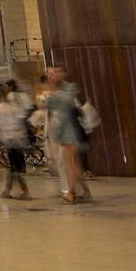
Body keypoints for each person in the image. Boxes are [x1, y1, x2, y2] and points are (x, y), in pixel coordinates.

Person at [43, 66, 88, 205]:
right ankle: (85, 190)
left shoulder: (69, 87)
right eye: (52, 72)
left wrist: (52, 91)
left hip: (71, 129)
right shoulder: (52, 89)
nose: (54, 75)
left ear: (63, 73)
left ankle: (71, 193)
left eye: (57, 71)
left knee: (70, 163)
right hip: (60, 129)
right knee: (74, 164)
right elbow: (49, 105)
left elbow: (66, 101)